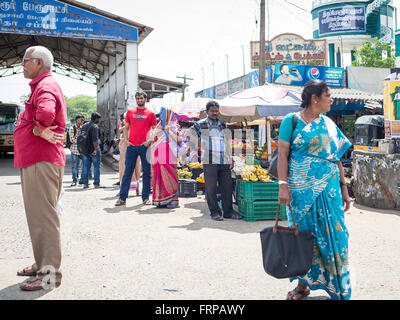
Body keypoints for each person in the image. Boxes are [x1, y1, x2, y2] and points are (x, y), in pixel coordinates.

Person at [277, 80, 352, 300]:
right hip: (300, 193)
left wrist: (344, 188)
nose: (332, 99)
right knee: (304, 238)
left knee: (336, 237)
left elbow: (336, 158)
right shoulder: (291, 122)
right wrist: (282, 187)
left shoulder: (329, 123)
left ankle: (340, 288)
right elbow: (282, 155)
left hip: (329, 192)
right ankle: (302, 286)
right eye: (328, 95)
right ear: (314, 98)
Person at [14, 45, 66, 291]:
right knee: (38, 217)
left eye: (25, 61)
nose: (22, 65)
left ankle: (49, 275)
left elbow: (46, 113)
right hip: (37, 160)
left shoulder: (45, 85)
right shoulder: (42, 84)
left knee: (44, 218)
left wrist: (37, 128)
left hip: (41, 161)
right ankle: (41, 263)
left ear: (38, 63)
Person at [193, 100, 238, 221]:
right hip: (209, 159)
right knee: (210, 187)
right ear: (207, 112)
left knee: (227, 187)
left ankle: (228, 212)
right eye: (212, 111)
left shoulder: (222, 125)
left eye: (216, 111)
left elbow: (227, 142)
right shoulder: (200, 124)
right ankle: (215, 212)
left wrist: (231, 158)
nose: (215, 113)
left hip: (223, 159)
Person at [115, 91, 157, 206]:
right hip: (132, 147)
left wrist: (149, 141)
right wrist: (126, 140)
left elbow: (155, 129)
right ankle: (122, 198)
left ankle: (145, 198)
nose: (139, 100)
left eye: (141, 98)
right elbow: (126, 128)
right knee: (127, 172)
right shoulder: (130, 112)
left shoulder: (151, 114)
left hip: (145, 147)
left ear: (145, 99)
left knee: (147, 173)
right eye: (137, 98)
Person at [150, 107, 183, 208]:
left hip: (169, 154)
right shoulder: (159, 126)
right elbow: (152, 139)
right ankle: (160, 200)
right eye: (161, 115)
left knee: (170, 176)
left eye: (164, 115)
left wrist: (169, 131)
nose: (162, 117)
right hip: (158, 154)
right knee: (159, 176)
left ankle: (172, 200)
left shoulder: (174, 126)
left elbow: (179, 140)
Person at [117, 112, 141, 195]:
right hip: (129, 148)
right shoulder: (128, 127)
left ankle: (134, 190)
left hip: (132, 147)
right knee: (128, 168)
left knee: (133, 168)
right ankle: (133, 190)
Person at [81, 112, 104, 189]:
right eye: (99, 119)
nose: (99, 120)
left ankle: (85, 184)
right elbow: (95, 139)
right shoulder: (95, 126)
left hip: (85, 149)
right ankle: (96, 184)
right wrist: (96, 149)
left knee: (86, 166)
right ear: (96, 119)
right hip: (93, 149)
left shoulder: (84, 126)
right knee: (97, 166)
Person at [69, 115, 85, 186]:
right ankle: (74, 180)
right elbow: (72, 139)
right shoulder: (72, 128)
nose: (82, 121)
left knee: (85, 164)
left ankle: (82, 179)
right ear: (77, 120)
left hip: (82, 150)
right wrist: (81, 141)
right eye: (81, 120)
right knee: (75, 166)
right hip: (74, 150)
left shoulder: (82, 128)